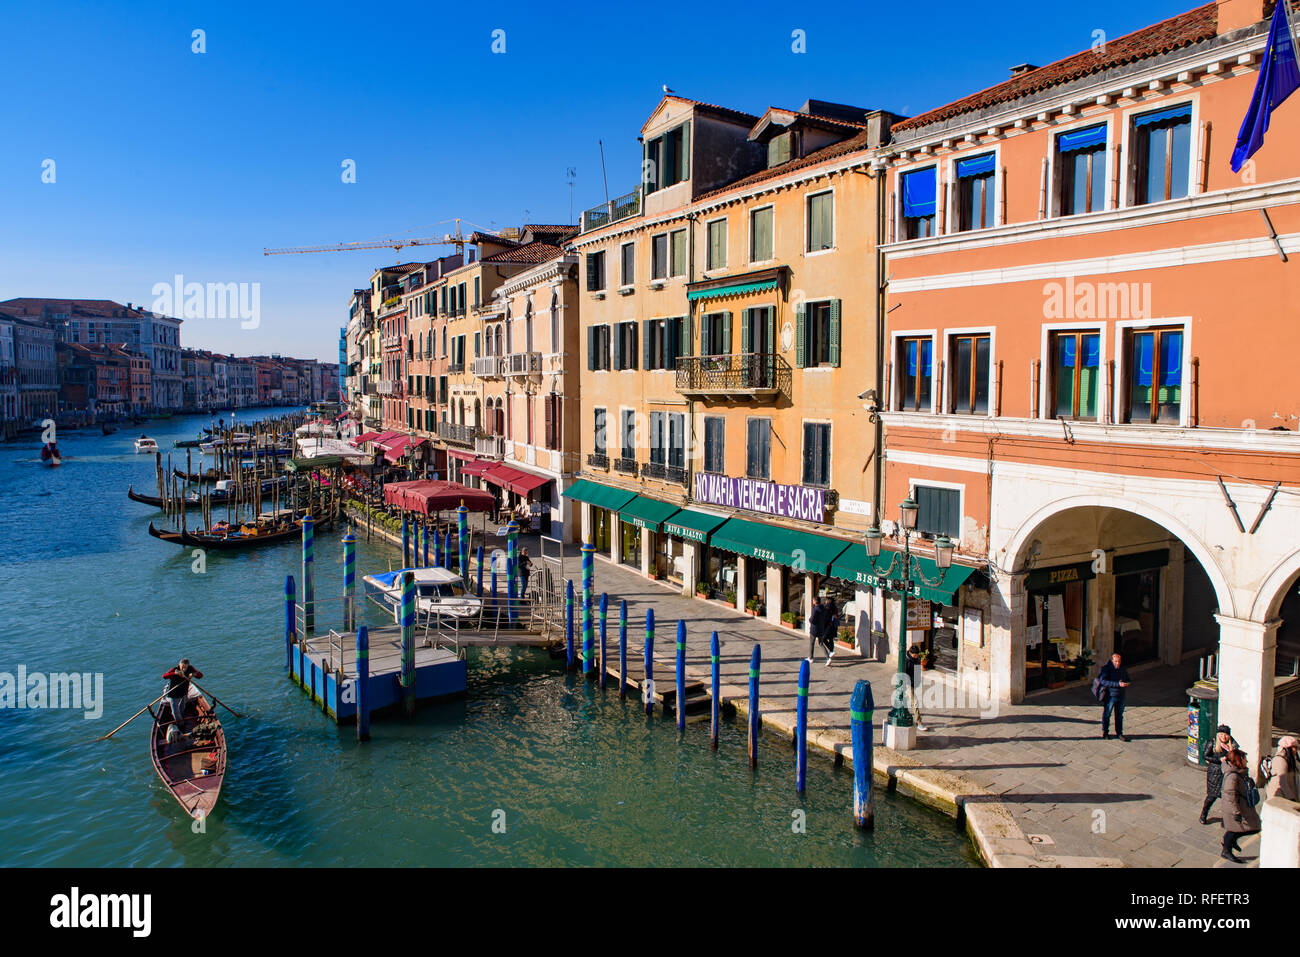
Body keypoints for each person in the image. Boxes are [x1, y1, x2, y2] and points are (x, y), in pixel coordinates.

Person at [1219, 747, 1261, 863]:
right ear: (1238, 760)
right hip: (1236, 809)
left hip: (1242, 807)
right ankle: (1226, 850)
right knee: (1236, 829)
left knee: (1250, 827)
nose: (1246, 761)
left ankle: (1229, 842)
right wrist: (1236, 812)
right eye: (1244, 759)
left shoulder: (1239, 773)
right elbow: (1230, 796)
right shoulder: (1232, 777)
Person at [1200, 725, 1237, 824]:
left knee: (1229, 797)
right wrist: (1219, 760)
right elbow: (1205, 756)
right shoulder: (1212, 743)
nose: (1224, 737)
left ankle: (1231, 817)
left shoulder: (1233, 745)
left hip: (1228, 773)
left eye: (1226, 735)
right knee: (1212, 796)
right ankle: (1204, 813)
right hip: (1215, 773)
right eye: (1221, 734)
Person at [1097, 652, 1131, 741]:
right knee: (1107, 714)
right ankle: (1105, 732)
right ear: (1112, 661)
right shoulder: (1106, 669)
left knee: (1119, 715)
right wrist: (1117, 684)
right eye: (1116, 661)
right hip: (1110, 696)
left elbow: (1128, 678)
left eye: (1119, 661)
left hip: (1121, 695)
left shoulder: (1122, 669)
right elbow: (1103, 681)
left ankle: (1119, 733)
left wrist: (1126, 683)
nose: (1117, 663)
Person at [161, 659, 203, 724]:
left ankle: (182, 717)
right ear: (179, 665)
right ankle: (180, 724)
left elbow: (200, 675)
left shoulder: (190, 669)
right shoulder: (175, 669)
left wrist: (194, 674)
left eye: (185, 667)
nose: (183, 669)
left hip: (184, 692)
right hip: (174, 694)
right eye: (182, 667)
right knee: (175, 711)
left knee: (182, 707)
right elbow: (164, 676)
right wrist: (175, 673)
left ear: (188, 666)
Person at [1265, 735, 1300, 802]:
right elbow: (1282, 781)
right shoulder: (1280, 760)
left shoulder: (1292, 761)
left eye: (1296, 747)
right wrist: (1291, 797)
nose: (1295, 750)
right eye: (1293, 747)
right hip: (1280, 797)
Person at [903, 643, 927, 731]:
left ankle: (907, 716)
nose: (916, 656)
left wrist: (917, 682)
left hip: (913, 683)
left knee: (905, 701)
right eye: (915, 655)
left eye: (917, 655)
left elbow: (917, 670)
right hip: (908, 683)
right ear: (910, 653)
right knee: (915, 702)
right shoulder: (906, 660)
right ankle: (918, 722)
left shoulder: (917, 659)